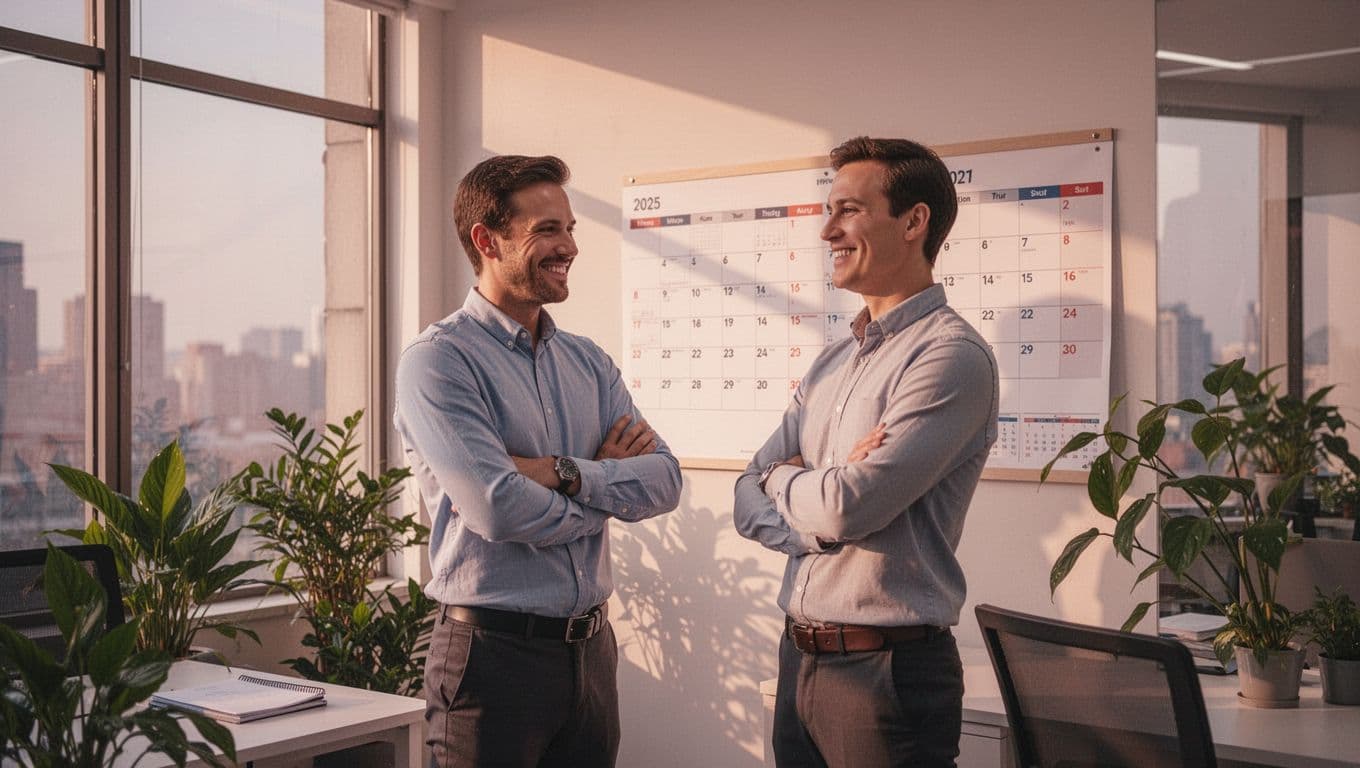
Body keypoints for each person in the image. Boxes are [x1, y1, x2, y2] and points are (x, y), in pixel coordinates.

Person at [395, 154, 682, 768]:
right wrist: (603, 492)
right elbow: (497, 510)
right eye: (548, 230)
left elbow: (664, 481)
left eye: (571, 228)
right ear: (487, 240)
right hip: (490, 659)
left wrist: (563, 472)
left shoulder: (589, 363)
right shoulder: (439, 362)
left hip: (592, 654)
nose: (569, 246)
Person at [733, 137, 999, 768]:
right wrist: (808, 502)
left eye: (848, 210)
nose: (828, 231)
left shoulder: (950, 357)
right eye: (829, 211)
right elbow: (745, 500)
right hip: (799, 658)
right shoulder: (833, 361)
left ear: (914, 221)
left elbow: (849, 506)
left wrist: (785, 480)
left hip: (889, 672)